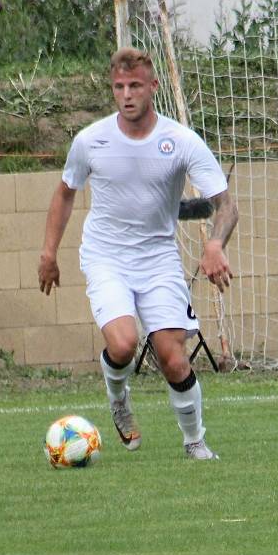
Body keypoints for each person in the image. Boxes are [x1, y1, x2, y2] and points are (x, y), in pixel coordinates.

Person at [38, 48, 238, 460]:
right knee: (125, 344)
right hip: (106, 257)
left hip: (158, 258)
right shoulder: (91, 140)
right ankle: (118, 397)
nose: (126, 95)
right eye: (118, 87)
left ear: (153, 87)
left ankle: (195, 441)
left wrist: (215, 244)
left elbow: (226, 204)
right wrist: (48, 253)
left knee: (173, 358)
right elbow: (64, 193)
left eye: (134, 86)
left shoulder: (180, 141)